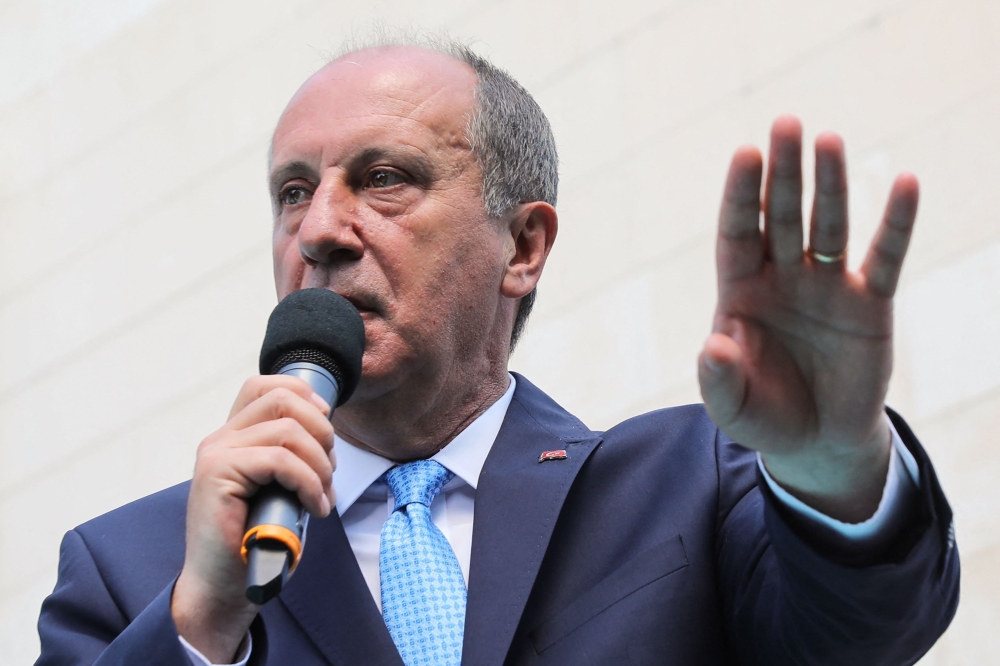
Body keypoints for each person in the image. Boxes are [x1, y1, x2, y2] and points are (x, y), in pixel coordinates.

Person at [36, 38, 959, 666]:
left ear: (522, 247)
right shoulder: (133, 571)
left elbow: (868, 634)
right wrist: (200, 622)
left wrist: (838, 466)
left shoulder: (692, 485)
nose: (318, 230)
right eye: (292, 191)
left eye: (382, 178)